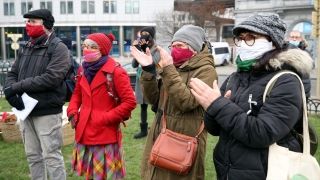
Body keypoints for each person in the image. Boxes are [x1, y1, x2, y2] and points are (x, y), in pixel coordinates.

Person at [189, 12, 314, 180]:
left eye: (251, 37)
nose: (243, 43)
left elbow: (262, 133)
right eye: (240, 38)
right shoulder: (236, 77)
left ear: (273, 43)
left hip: (266, 172)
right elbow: (216, 130)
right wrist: (211, 108)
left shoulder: (286, 81)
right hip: (228, 171)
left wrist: (218, 105)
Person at [130, 24, 218, 180]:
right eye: (173, 45)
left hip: (183, 141)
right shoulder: (173, 67)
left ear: (194, 48)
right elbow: (154, 100)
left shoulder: (206, 70)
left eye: (180, 45)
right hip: (159, 135)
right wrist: (148, 70)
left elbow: (187, 102)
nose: (175, 49)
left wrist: (169, 69)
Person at [4, 9, 70, 180]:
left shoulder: (58, 48)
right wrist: (11, 94)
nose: (28, 25)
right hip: (25, 110)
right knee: (33, 156)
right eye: (27, 22)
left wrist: (17, 87)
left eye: (33, 21)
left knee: (52, 157)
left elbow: (51, 78)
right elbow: (13, 73)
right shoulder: (27, 46)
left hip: (47, 111)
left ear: (46, 25)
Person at [67, 33, 137, 180]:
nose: (87, 50)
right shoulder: (82, 70)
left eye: (92, 47)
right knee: (90, 175)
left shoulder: (116, 72)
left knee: (105, 176)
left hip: (105, 134)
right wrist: (72, 112)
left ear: (102, 50)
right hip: (84, 130)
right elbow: (77, 95)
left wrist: (104, 118)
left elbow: (130, 102)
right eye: (85, 46)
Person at [132, 26, 161, 139]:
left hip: (154, 80)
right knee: (143, 106)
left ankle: (158, 129)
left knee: (156, 106)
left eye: (146, 33)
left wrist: (144, 50)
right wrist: (137, 51)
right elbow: (134, 65)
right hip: (141, 79)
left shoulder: (156, 49)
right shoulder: (140, 46)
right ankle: (143, 130)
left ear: (151, 36)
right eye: (142, 33)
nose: (144, 35)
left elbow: (152, 63)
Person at [286, 30, 313, 101]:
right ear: (288, 38)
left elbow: (311, 65)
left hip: (303, 87)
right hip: (287, 86)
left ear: (301, 39)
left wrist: (300, 54)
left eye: (297, 37)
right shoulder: (283, 51)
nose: (294, 39)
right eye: (292, 37)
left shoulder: (306, 52)